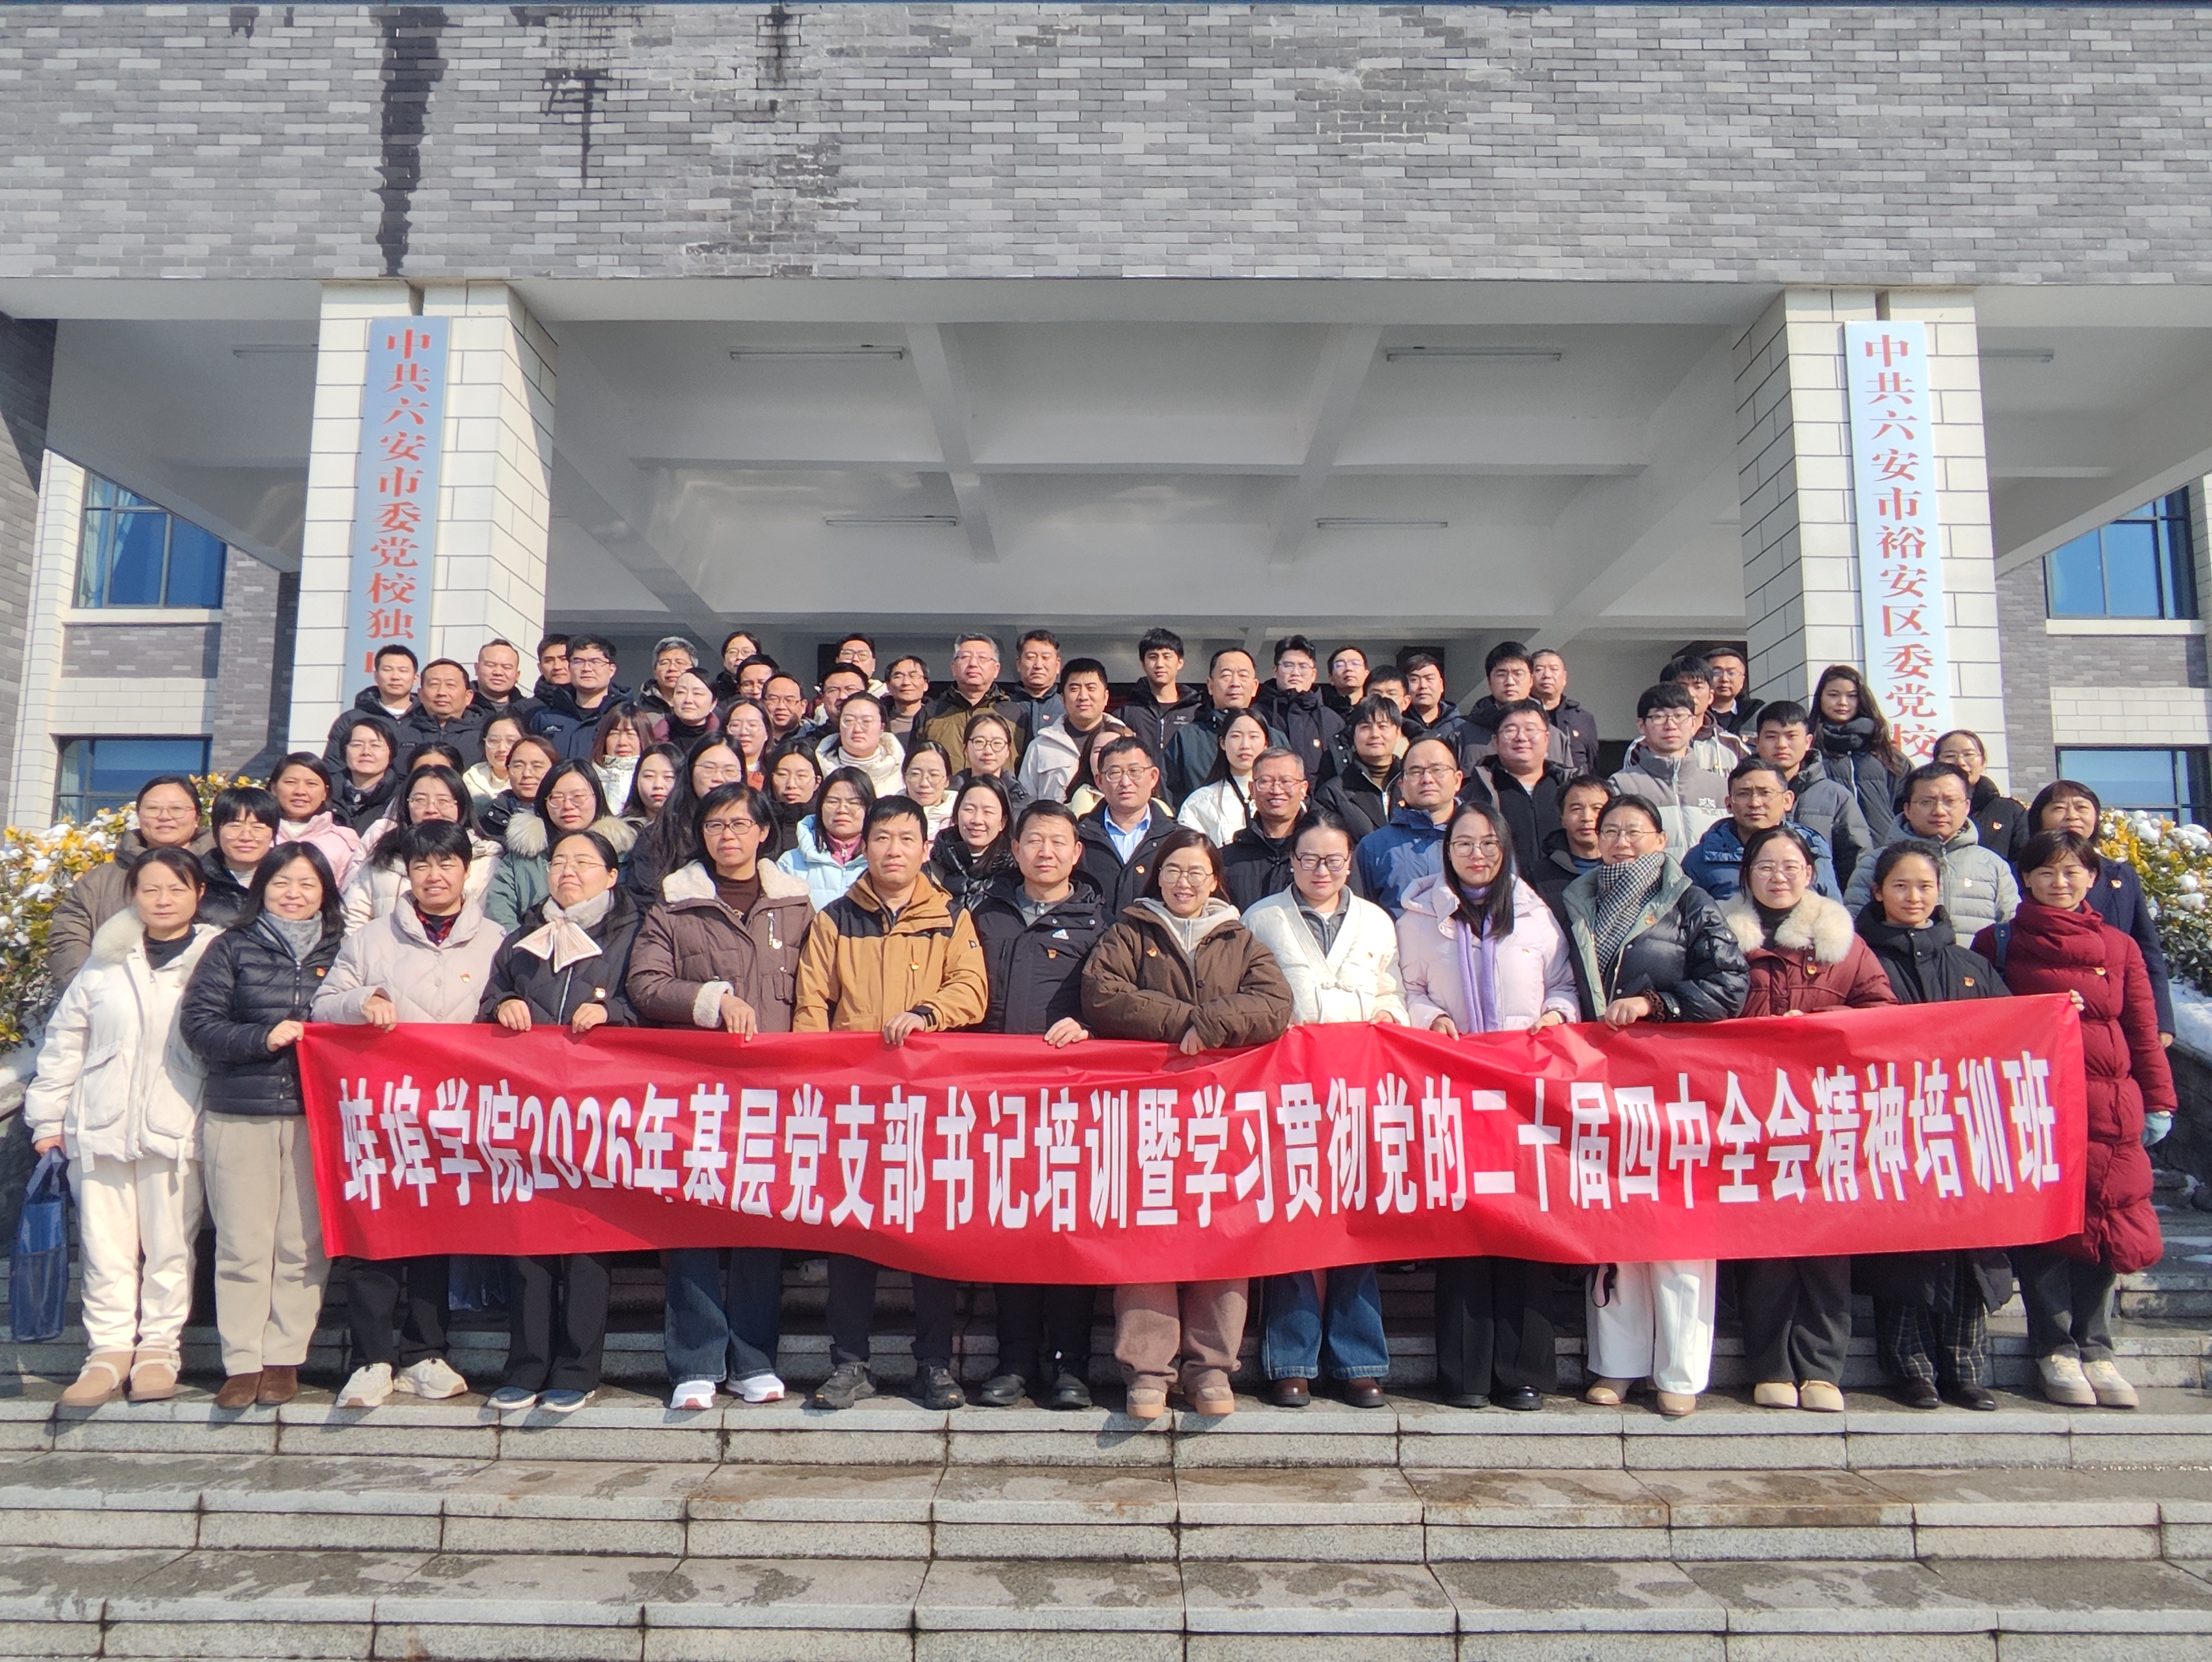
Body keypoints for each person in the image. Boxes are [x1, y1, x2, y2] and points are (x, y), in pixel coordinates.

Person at [1082, 828, 1293, 1417]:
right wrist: (1186, 1022)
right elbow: (1102, 995)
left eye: (1197, 872)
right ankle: (1148, 1370)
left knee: (1222, 1236)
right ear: (1157, 876)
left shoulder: (1239, 939)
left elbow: (1276, 1005)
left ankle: (1211, 1369)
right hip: (1145, 1113)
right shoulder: (1130, 931)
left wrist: (1214, 1023)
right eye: (1174, 870)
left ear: (1215, 880)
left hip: (1219, 1116)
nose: (1184, 882)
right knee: (1146, 1237)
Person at [796, 795, 991, 1412]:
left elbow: (972, 989)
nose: (894, 851)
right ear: (865, 845)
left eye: (907, 839)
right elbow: (811, 1006)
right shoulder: (834, 919)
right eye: (883, 838)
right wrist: (819, 1084)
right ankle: (849, 1363)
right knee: (852, 1238)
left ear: (926, 848)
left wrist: (928, 1013)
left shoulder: (950, 916)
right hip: (854, 1106)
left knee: (929, 1236)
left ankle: (933, 1365)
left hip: (928, 1106)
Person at [627, 782, 814, 1410]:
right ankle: (696, 1363)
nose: (727, 835)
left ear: (763, 832)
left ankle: (754, 1360)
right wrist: (712, 1001)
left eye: (739, 824)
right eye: (715, 825)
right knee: (694, 1225)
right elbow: (645, 984)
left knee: (759, 1224)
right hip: (698, 1094)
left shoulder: (798, 905)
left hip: (773, 1093)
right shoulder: (675, 904)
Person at [1560, 795, 1748, 1417]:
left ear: (1661, 840)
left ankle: (1680, 1372)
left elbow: (1731, 985)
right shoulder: (1578, 900)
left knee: (1677, 1230)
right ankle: (1617, 1364)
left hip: (1674, 1087)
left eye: (1634, 831)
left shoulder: (1691, 902)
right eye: (1610, 830)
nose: (1621, 842)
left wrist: (1656, 1004)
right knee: (1612, 1225)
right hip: (1602, 1083)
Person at [1975, 830, 2170, 1410]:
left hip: (2110, 1106)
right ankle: (2054, 1347)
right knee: (2047, 1227)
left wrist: (2159, 1100)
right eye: (2047, 872)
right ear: (2026, 879)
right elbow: (1983, 1024)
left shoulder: (2119, 946)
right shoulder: (1998, 942)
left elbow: (2142, 1029)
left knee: (2109, 1223)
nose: (2060, 883)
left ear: (2092, 877)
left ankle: (2097, 1347)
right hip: (2037, 1107)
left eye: (2072, 872)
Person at [1395, 803, 1577, 1411]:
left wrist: (1556, 1015)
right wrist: (1431, 1017)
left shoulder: (1535, 915)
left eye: (1488, 844)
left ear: (1505, 849)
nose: (1476, 854)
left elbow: (1563, 985)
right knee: (1465, 1226)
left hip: (1524, 1093)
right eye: (1464, 844)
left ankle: (1523, 1371)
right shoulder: (1418, 918)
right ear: (1446, 852)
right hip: (1453, 1089)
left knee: (1525, 1224)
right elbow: (1405, 989)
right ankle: (1465, 1373)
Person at [313, 822, 496, 1410]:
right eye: (422, 866)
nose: (434, 876)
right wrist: (360, 1002)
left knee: (437, 1233)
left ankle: (425, 1353)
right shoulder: (370, 940)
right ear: (407, 874)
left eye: (446, 864)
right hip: (384, 1110)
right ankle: (371, 1359)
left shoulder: (498, 940)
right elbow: (323, 1005)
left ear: (466, 871)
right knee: (375, 1230)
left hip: (459, 1112)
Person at [28, 849, 217, 1406]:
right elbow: (66, 1042)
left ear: (199, 893)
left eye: (176, 889)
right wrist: (47, 1118)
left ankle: (159, 1348)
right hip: (100, 1123)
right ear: (133, 894)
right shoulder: (106, 959)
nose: (163, 900)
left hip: (177, 1122)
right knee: (104, 1246)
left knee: (169, 1246)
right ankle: (108, 1351)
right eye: (150, 889)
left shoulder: (215, 955)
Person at [1721, 824, 1897, 1415]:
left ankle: (1821, 1368)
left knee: (1825, 1244)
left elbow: (1882, 1013)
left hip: (1826, 1115)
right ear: (1747, 875)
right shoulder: (1722, 933)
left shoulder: (1841, 939)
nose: (1778, 877)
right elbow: (1705, 1007)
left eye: (1790, 866)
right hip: (1750, 1112)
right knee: (1763, 1247)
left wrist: (1821, 1031)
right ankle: (1770, 1364)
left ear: (1811, 874)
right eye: (1766, 866)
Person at [1244, 812, 1409, 1409]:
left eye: (1334, 860)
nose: (1321, 870)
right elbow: (1249, 996)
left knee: (1356, 1223)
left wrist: (1389, 1018)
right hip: (1288, 1094)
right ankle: (1291, 1360)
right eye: (1309, 859)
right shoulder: (1261, 919)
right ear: (1291, 862)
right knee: (1292, 1222)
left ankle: (1358, 1360)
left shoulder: (1376, 921)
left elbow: (1393, 990)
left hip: (1359, 1093)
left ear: (1349, 863)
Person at [179, 843, 347, 1408]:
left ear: (325, 893)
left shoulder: (343, 950)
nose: (293, 894)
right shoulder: (231, 947)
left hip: (315, 1118)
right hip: (239, 1112)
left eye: (306, 884)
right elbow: (199, 1026)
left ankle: (284, 1357)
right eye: (281, 883)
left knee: (303, 1244)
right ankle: (242, 1360)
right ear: (262, 889)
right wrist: (261, 1038)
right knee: (242, 1243)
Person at [479, 828, 641, 1414]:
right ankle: (526, 1365)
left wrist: (612, 1011)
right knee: (528, 1240)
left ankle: (577, 1368)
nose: (568, 871)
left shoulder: (633, 933)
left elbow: (647, 1001)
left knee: (587, 1241)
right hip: (530, 1111)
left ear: (612, 875)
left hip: (601, 1111)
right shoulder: (523, 937)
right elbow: (490, 998)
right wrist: (501, 1005)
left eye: (584, 862)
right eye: (560, 861)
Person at [1854, 838, 2014, 1410]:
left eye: (1924, 886)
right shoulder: (1861, 961)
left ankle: (1966, 1369)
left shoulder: (1971, 965)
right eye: (1900, 886)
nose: (1913, 896)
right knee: (1902, 1249)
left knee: (1967, 1249)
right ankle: (1911, 1366)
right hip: (1890, 1124)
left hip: (1963, 1126)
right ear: (1878, 892)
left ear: (1939, 891)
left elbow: (2011, 1036)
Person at [967, 802, 1111, 1411]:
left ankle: (1071, 1363)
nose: (1045, 852)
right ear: (1016, 848)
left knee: (1068, 1233)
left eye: (1058, 842)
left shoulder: (1099, 924)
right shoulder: (984, 915)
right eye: (1034, 840)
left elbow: (1116, 1000)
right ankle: (1016, 1360)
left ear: (1077, 853)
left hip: (1071, 1105)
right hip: (997, 1103)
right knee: (1010, 1231)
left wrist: (1091, 1027)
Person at [2029, 779, 2175, 1043]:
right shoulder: (2022, 872)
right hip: (2045, 1013)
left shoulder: (2121, 876)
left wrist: (2162, 1020)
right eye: (2059, 808)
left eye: (2082, 807)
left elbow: (2147, 948)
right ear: (2039, 818)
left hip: (2115, 1011)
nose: (2072, 816)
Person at [49, 774, 214, 987]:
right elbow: (67, 939)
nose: (165, 816)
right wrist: (94, 991)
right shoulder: (99, 881)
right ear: (139, 815)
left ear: (197, 816)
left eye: (176, 809)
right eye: (153, 808)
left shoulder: (222, 873)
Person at [1844, 763, 2020, 938]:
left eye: (1950, 801)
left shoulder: (1992, 865)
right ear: (1907, 809)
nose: (1939, 811)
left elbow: (2011, 930)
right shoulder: (1875, 863)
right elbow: (1853, 930)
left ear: (1967, 806)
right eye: (1926, 802)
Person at [342, 765, 500, 931]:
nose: (431, 809)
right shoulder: (383, 856)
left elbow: (491, 926)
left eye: (443, 801)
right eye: (419, 800)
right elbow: (354, 919)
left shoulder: (485, 861)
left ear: (461, 806)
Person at [487, 758, 637, 929]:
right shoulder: (521, 857)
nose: (567, 806)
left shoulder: (622, 855)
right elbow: (499, 913)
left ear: (598, 797)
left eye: (578, 797)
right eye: (557, 798)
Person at [1753, 701, 1875, 893]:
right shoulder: (1741, 792)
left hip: (1819, 905)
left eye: (1791, 736)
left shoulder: (1835, 797)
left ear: (1808, 741)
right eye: (1771, 737)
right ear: (1757, 742)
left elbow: (1857, 860)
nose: (1781, 745)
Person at [1682, 760, 1841, 903]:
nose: (1755, 803)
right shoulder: (1702, 858)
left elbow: (1833, 912)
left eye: (1765, 793)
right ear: (1729, 804)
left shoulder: (1811, 848)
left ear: (1787, 800)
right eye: (1743, 794)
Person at [1610, 684, 1728, 857]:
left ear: (1693, 723)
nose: (1671, 725)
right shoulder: (1622, 786)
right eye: (1659, 717)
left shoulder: (1720, 787)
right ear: (1642, 726)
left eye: (1680, 716)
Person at [629, 737, 748, 902]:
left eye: (729, 771)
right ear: (690, 771)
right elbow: (645, 898)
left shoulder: (754, 831)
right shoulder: (659, 836)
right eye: (709, 769)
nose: (719, 778)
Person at [1355, 736, 1463, 917]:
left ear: (1457, 780)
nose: (1427, 779)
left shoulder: (1484, 839)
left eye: (1437, 770)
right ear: (1401, 785)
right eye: (1416, 772)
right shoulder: (1373, 847)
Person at [1165, 650, 1284, 805]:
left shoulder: (1274, 737)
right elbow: (1167, 792)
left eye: (1243, 676)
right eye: (1226, 676)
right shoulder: (1187, 738)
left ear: (1255, 686)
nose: (1235, 683)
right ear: (1210, 686)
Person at [1076, 735, 1177, 917]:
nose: (1125, 782)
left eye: (1135, 771)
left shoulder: (1176, 840)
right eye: (1115, 773)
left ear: (1153, 777)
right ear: (1100, 781)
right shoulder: (1079, 837)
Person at [1813, 664, 1907, 844]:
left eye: (1852, 696)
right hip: (1828, 847)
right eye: (1833, 695)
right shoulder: (1809, 750)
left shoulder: (1883, 750)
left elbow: (1907, 801)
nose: (1843, 702)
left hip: (1884, 848)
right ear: (1820, 698)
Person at [1018, 658, 1132, 805]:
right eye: (1074, 689)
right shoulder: (1041, 746)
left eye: (1091, 688)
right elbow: (1025, 804)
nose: (1083, 697)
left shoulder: (1126, 740)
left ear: (1106, 697)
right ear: (1063, 699)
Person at [1466, 699, 1566, 864]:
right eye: (1510, 731)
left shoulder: (1567, 787)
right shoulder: (1478, 792)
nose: (1521, 737)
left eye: (1530, 730)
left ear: (1547, 738)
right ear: (1496, 741)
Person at [1455, 644, 1572, 772]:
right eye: (1501, 675)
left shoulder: (1554, 737)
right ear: (1489, 682)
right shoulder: (1462, 736)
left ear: (1531, 680)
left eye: (1518, 674)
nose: (1510, 682)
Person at [1219, 749, 1311, 908]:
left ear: (1303, 789)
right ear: (1252, 789)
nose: (1276, 791)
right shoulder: (1227, 860)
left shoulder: (1320, 854)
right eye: (1265, 781)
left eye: (1286, 781)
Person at [776, 767, 875, 908]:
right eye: (833, 801)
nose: (842, 810)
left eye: (854, 802)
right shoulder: (791, 862)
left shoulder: (881, 860)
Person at [1252, 634, 1343, 782]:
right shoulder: (1256, 716)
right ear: (1275, 671)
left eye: (1303, 666)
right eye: (1288, 665)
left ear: (1313, 674)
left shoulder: (1331, 721)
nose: (1296, 672)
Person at [1314, 694, 1404, 841]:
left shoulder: (1413, 783)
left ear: (1398, 732)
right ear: (1353, 735)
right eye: (1365, 727)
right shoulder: (1333, 793)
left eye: (1383, 726)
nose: (1375, 734)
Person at [268, 754, 366, 890]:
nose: (300, 791)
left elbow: (352, 893)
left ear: (325, 792)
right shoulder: (257, 834)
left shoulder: (344, 841)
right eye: (291, 782)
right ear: (274, 788)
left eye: (311, 784)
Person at [530, 634, 630, 762]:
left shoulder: (625, 717)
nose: (586, 669)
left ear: (611, 670)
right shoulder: (545, 718)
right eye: (578, 662)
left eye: (595, 662)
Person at [1177, 710, 1269, 846]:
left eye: (1253, 737)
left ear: (1266, 744)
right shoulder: (1200, 802)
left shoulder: (1280, 796)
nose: (1245, 745)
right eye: (1236, 736)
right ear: (1223, 743)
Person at [922, 633, 1019, 759]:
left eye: (982, 658)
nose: (973, 663)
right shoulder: (931, 713)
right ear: (953, 668)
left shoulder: (1016, 715)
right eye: (965, 657)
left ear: (996, 669)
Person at [931, 775, 1017, 913]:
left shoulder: (1015, 874)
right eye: (969, 810)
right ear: (956, 815)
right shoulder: (934, 866)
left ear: (1003, 822)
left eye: (988, 812)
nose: (977, 820)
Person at [199, 785, 280, 930]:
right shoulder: (196, 876)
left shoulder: (287, 876)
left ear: (273, 832)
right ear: (217, 830)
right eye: (235, 825)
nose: (246, 837)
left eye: (258, 827)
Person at [322, 643, 419, 762]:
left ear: (415, 678)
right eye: (387, 670)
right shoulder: (351, 720)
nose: (395, 677)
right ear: (376, 676)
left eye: (403, 670)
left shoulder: (426, 718)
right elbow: (334, 766)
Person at [1532, 774, 1612, 916]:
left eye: (1597, 809)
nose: (1586, 818)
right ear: (1562, 817)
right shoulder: (1536, 876)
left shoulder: (1626, 867)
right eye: (1576, 809)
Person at [1122, 626, 1205, 761]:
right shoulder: (1127, 713)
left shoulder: (1197, 713)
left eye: (1167, 657)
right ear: (1143, 664)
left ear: (1180, 663)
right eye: (1153, 657)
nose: (1160, 664)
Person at [480, 735, 557, 865]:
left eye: (537, 767)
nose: (527, 774)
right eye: (518, 766)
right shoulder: (487, 816)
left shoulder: (561, 818)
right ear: (508, 770)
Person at [815, 691, 905, 797]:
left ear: (882, 727)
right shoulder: (816, 768)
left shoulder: (903, 770)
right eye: (849, 721)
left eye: (867, 721)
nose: (857, 729)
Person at [1529, 648, 1602, 776]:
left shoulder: (1583, 718)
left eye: (1554, 669)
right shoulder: (1519, 715)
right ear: (1529, 677)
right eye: (1539, 669)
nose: (1547, 675)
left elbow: (1592, 765)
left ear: (1564, 678)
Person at [401, 658, 488, 766]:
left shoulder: (485, 737)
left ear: (468, 697)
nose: (442, 692)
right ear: (421, 695)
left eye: (451, 685)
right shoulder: (401, 733)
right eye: (434, 684)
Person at [328, 711, 401, 832]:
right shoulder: (326, 794)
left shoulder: (401, 798)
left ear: (391, 753)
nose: (366, 752)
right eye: (357, 745)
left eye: (375, 745)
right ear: (344, 752)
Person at [954, 711, 1031, 809]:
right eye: (979, 742)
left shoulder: (1022, 801)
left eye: (997, 743)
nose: (988, 751)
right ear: (965, 748)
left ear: (1008, 750)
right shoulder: (948, 797)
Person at [1006, 628, 1065, 746]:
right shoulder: (1003, 707)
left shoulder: (1068, 709)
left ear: (1058, 665)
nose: (1038, 665)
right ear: (1019, 664)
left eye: (1046, 657)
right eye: (1031, 657)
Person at [765, 745, 823, 856]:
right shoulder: (759, 820)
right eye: (782, 775)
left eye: (801, 776)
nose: (791, 784)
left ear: (817, 782)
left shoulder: (826, 823)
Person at [465, 714, 526, 820]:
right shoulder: (472, 777)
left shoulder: (530, 779)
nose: (502, 749)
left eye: (511, 741)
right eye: (493, 741)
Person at [591, 704, 648, 811]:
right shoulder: (590, 779)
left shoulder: (651, 777)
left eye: (630, 734)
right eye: (615, 734)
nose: (622, 742)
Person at [469, 638, 537, 727]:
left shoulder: (529, 713)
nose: (498, 672)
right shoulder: (460, 706)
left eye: (507, 667)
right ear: (477, 669)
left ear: (517, 675)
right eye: (490, 665)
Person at [651, 670, 721, 750]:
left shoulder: (723, 740)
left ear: (713, 703)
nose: (688, 700)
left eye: (698, 693)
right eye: (681, 692)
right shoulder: (654, 738)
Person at [902, 739, 956, 842]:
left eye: (934, 775)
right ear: (904, 777)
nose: (924, 783)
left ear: (947, 780)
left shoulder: (960, 818)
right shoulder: (888, 816)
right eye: (915, 774)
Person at [1701, 645, 1760, 738]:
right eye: (1716, 673)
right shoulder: (1694, 715)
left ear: (1742, 681)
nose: (1724, 679)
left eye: (1731, 673)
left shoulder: (1755, 715)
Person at [1399, 651, 1456, 741]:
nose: (1423, 686)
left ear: (1441, 685)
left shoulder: (1459, 728)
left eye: (1429, 679)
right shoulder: (1396, 726)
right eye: (1414, 680)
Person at [639, 636, 701, 717]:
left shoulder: (704, 708)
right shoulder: (637, 711)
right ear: (655, 670)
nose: (672, 668)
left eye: (680, 663)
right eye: (665, 663)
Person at [722, 697, 772, 789]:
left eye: (753, 725)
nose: (743, 732)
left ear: (767, 733)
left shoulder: (774, 772)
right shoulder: (717, 774)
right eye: (735, 725)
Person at [629, 744, 682, 829]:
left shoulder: (696, 829)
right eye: (649, 776)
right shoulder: (619, 832)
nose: (658, 785)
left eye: (669, 777)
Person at [882, 654, 931, 741]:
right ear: (888, 686)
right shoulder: (878, 721)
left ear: (925, 684)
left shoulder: (939, 719)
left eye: (913, 676)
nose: (906, 682)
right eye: (898, 677)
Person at [760, 674, 813, 749]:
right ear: (762, 703)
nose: (781, 707)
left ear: (803, 706)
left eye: (789, 700)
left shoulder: (816, 738)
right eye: (774, 699)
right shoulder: (751, 737)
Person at [709, 629, 764, 699]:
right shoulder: (713, 692)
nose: (739, 657)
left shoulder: (768, 688)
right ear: (724, 660)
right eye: (733, 652)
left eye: (746, 652)